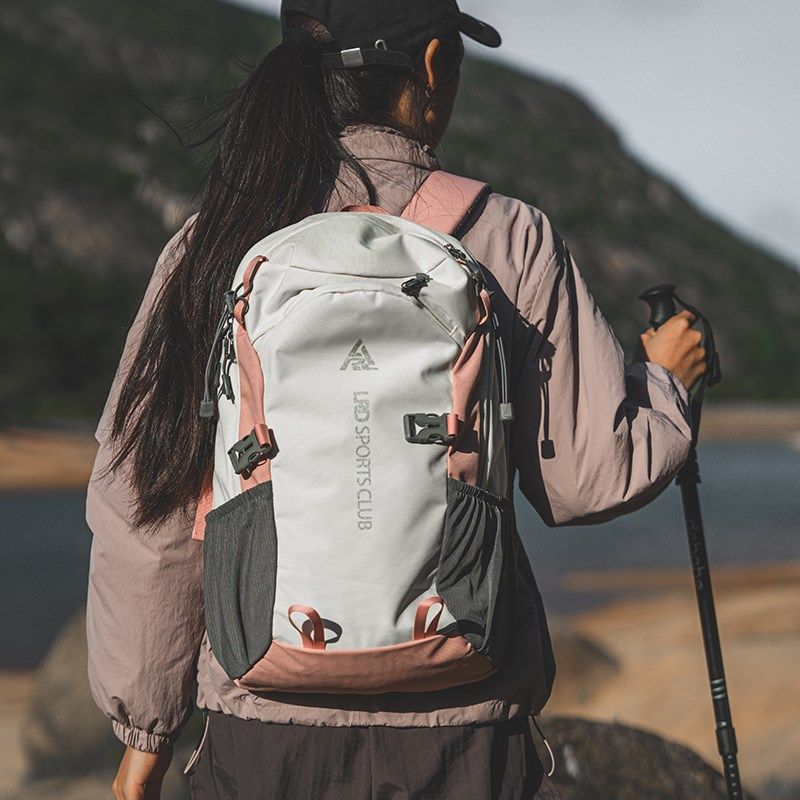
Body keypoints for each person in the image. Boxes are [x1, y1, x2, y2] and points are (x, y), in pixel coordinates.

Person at [85, 1, 705, 798]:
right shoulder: (511, 237)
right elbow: (588, 476)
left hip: (262, 729)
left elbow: (146, 502)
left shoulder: (215, 241)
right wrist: (668, 380)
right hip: (466, 733)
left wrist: (146, 734)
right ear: (435, 66)